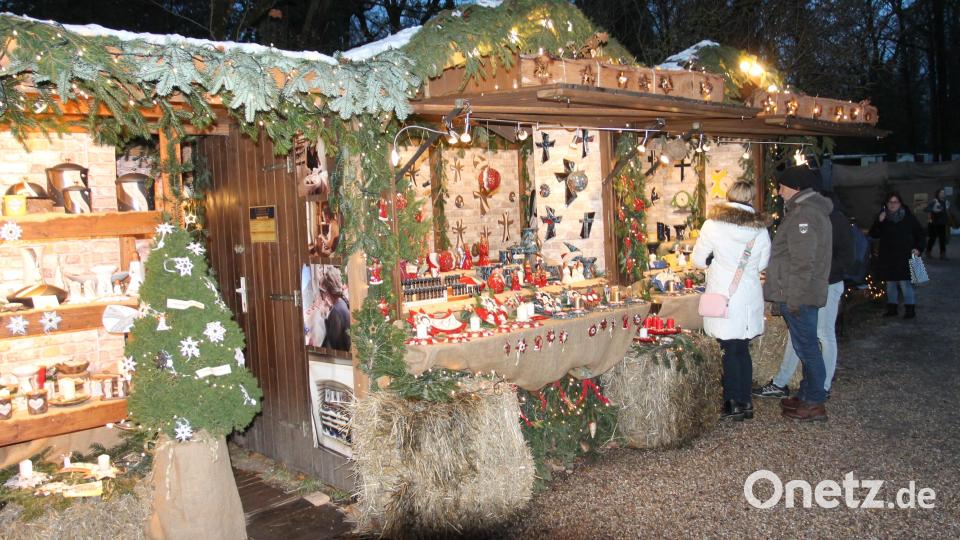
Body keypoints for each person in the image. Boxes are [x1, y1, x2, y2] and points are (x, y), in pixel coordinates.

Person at [755, 191, 854, 400]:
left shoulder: (817, 216)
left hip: (821, 284)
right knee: (802, 338)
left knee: (820, 337)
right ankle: (791, 385)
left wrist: (815, 281)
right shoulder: (812, 214)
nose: (780, 192)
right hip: (811, 285)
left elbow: (814, 259)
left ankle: (818, 391)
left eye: (784, 187)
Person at [692, 181, 771, 421]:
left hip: (722, 294)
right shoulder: (759, 229)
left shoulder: (713, 225)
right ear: (750, 198)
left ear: (728, 196)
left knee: (727, 349)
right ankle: (745, 401)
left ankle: (731, 402)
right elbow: (763, 263)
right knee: (742, 349)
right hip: (747, 295)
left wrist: (713, 260)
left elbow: (697, 260)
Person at [763, 166, 833, 421]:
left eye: (782, 186)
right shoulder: (805, 211)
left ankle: (815, 401)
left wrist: (793, 299)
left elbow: (803, 262)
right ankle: (807, 394)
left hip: (800, 296)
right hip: (801, 294)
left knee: (808, 349)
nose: (779, 191)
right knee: (805, 346)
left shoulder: (804, 215)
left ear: (797, 187)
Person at [870, 192, 925, 319]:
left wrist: (918, 248)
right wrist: (879, 222)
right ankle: (892, 308)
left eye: (895, 202)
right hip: (888, 256)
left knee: (905, 283)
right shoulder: (883, 217)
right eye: (890, 202)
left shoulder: (908, 217)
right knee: (890, 284)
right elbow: (874, 234)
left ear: (900, 203)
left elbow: (920, 234)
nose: (892, 204)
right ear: (886, 204)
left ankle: (910, 309)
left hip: (905, 255)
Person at [318, 266, 351, 351]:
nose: (323, 296)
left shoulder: (335, 312)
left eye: (323, 292)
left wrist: (325, 318)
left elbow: (333, 344)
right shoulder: (341, 301)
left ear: (328, 291)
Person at [924, 188, 951, 260]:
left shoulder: (945, 202)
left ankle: (942, 254)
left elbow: (946, 213)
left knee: (942, 239)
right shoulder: (934, 201)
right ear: (938, 194)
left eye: (943, 193)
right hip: (934, 223)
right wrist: (933, 210)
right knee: (932, 238)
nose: (943, 194)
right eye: (941, 193)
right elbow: (926, 209)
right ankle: (928, 252)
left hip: (942, 224)